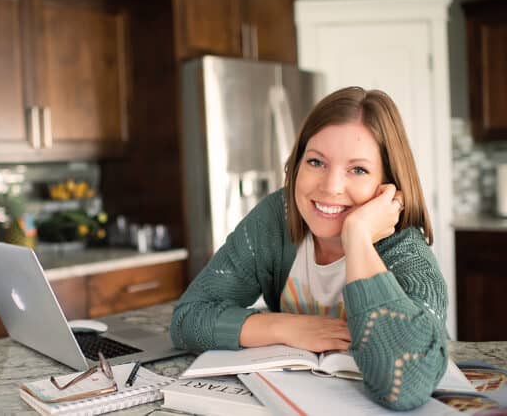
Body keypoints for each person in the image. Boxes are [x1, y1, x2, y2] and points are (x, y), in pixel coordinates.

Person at [170, 86, 449, 411]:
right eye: (316, 162)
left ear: (387, 184)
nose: (330, 187)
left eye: (358, 169)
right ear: (297, 164)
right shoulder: (275, 219)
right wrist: (285, 327)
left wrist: (357, 236)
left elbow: (407, 386)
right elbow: (187, 319)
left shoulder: (405, 251)